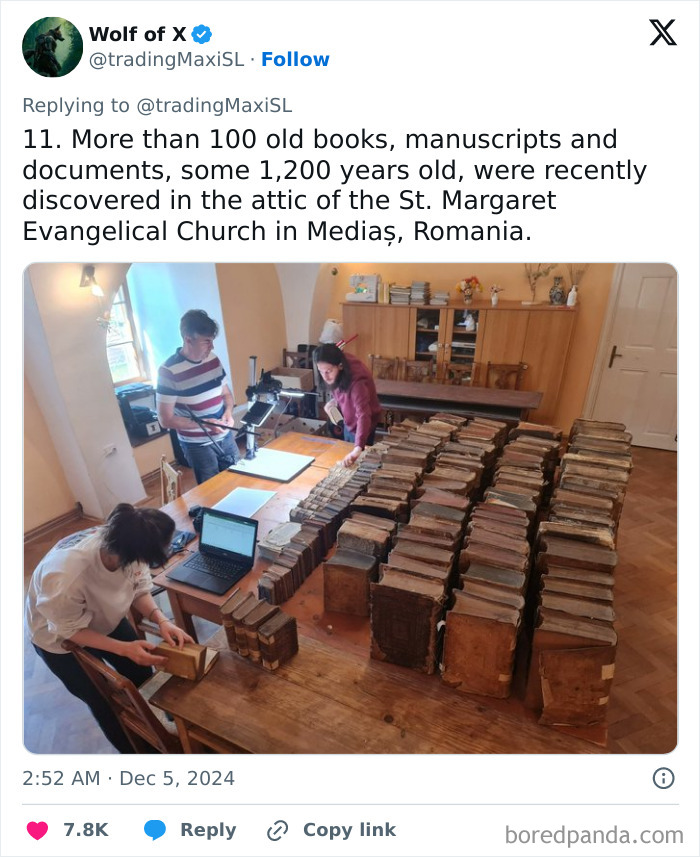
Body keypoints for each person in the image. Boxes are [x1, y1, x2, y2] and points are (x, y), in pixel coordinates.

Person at [25, 504, 194, 754]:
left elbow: (138, 587)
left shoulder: (127, 540)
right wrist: (124, 648)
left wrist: (162, 620)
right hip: (58, 638)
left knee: (141, 672)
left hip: (100, 615)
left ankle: (164, 728)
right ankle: (139, 753)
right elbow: (68, 630)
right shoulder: (66, 573)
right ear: (132, 554)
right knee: (104, 702)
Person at [157, 309, 240, 484]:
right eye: (206, 342)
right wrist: (205, 425)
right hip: (197, 446)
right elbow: (165, 420)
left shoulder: (214, 360)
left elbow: (226, 394)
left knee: (237, 481)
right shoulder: (168, 371)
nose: (212, 347)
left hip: (225, 437)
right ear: (188, 339)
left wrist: (229, 413)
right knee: (212, 491)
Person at [315, 343, 382, 467]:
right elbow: (338, 388)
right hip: (349, 420)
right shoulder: (337, 362)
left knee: (359, 463)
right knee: (347, 457)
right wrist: (334, 401)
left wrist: (358, 447)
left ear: (340, 366)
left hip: (363, 425)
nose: (325, 376)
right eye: (321, 371)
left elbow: (363, 415)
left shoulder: (357, 383)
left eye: (328, 371)